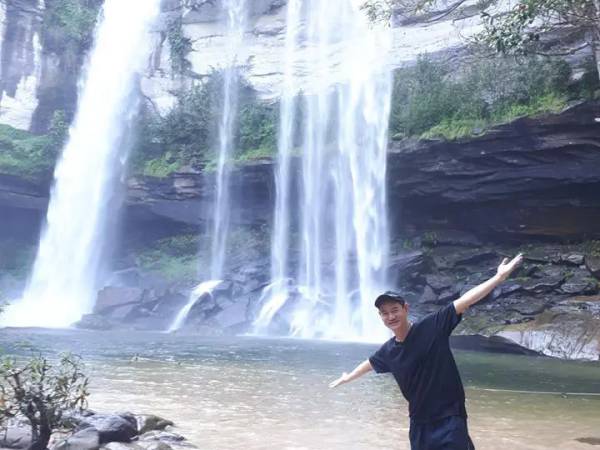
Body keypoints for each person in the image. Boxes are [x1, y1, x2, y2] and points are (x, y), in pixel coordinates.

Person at [329, 254, 523, 450]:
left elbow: (465, 301)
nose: (391, 316)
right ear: (380, 316)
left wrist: (498, 278)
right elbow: (369, 364)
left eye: (394, 310)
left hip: (449, 417)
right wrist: (348, 377)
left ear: (406, 308)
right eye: (385, 313)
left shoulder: (432, 326)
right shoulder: (388, 351)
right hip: (419, 423)